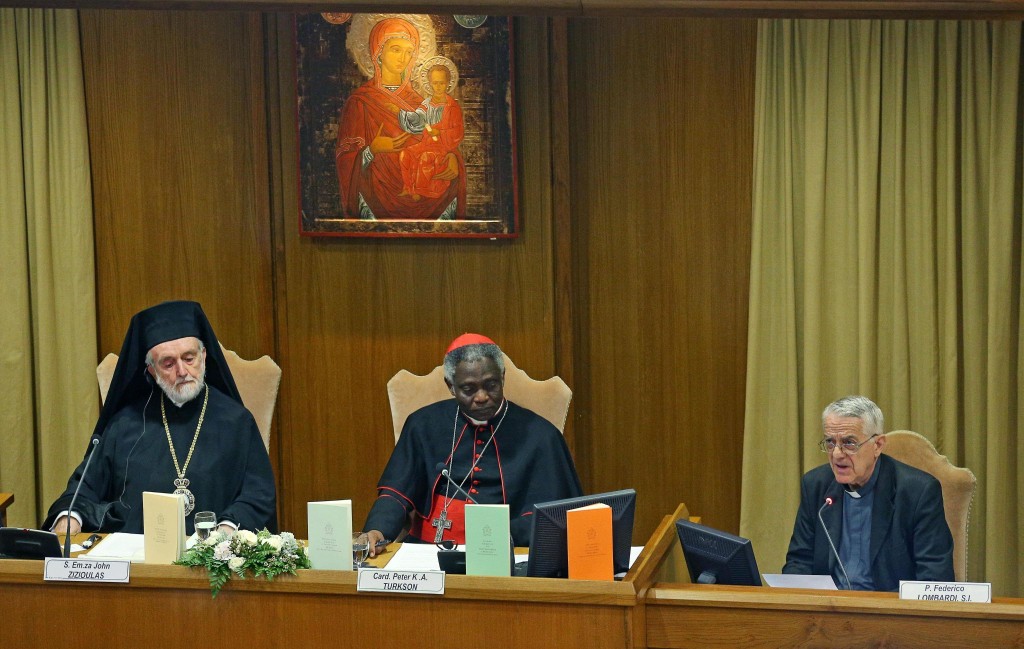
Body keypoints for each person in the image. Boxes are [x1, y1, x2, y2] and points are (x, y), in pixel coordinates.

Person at [43, 301, 277, 536]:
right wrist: (70, 517)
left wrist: (226, 529)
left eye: (189, 358)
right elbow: (84, 489)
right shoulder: (125, 424)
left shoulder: (236, 421)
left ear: (204, 356)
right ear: (152, 370)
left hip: (214, 561)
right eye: (168, 363)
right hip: (135, 560)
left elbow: (258, 494)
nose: (182, 371)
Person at [363, 333, 582, 552]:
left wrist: (500, 537)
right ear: (451, 386)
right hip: (425, 550)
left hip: (503, 551)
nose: (481, 397)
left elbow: (553, 514)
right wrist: (377, 530)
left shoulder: (541, 436)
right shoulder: (423, 424)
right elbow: (396, 492)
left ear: (503, 378)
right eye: (469, 389)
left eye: (491, 385)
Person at [782, 395, 954, 591]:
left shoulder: (918, 492)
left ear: (878, 445)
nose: (837, 454)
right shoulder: (816, 485)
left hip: (888, 614)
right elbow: (799, 561)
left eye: (849, 443)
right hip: (828, 612)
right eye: (830, 442)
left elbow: (934, 579)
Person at [335, 17, 466, 220]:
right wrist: (372, 150)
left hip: (426, 192)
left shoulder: (422, 102)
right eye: (396, 49)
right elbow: (345, 160)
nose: (403, 58)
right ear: (378, 52)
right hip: (375, 195)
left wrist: (451, 158)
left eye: (408, 52)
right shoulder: (360, 102)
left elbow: (438, 139)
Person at [392, 62, 465, 202]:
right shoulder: (427, 103)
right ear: (430, 83)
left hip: (443, 146)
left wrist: (440, 132)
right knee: (404, 154)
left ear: (448, 83)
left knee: (426, 157)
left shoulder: (452, 106)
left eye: (442, 83)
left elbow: (458, 131)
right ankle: (409, 187)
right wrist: (401, 113)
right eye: (435, 83)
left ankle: (421, 191)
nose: (438, 87)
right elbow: (418, 118)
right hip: (426, 142)